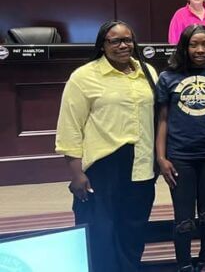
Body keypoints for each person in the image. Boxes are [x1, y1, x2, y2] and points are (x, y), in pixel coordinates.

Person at [55, 20, 158, 272]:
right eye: (115, 41)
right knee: (101, 230)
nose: (123, 45)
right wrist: (76, 173)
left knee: (133, 228)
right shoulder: (84, 76)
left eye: (128, 40)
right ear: (103, 45)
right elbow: (69, 127)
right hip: (103, 165)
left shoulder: (148, 72)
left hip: (142, 163)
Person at [155, 24, 205, 272]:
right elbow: (163, 120)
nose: (200, 50)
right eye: (194, 44)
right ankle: (185, 265)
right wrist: (161, 157)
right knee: (184, 218)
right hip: (180, 157)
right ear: (184, 47)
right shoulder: (168, 78)